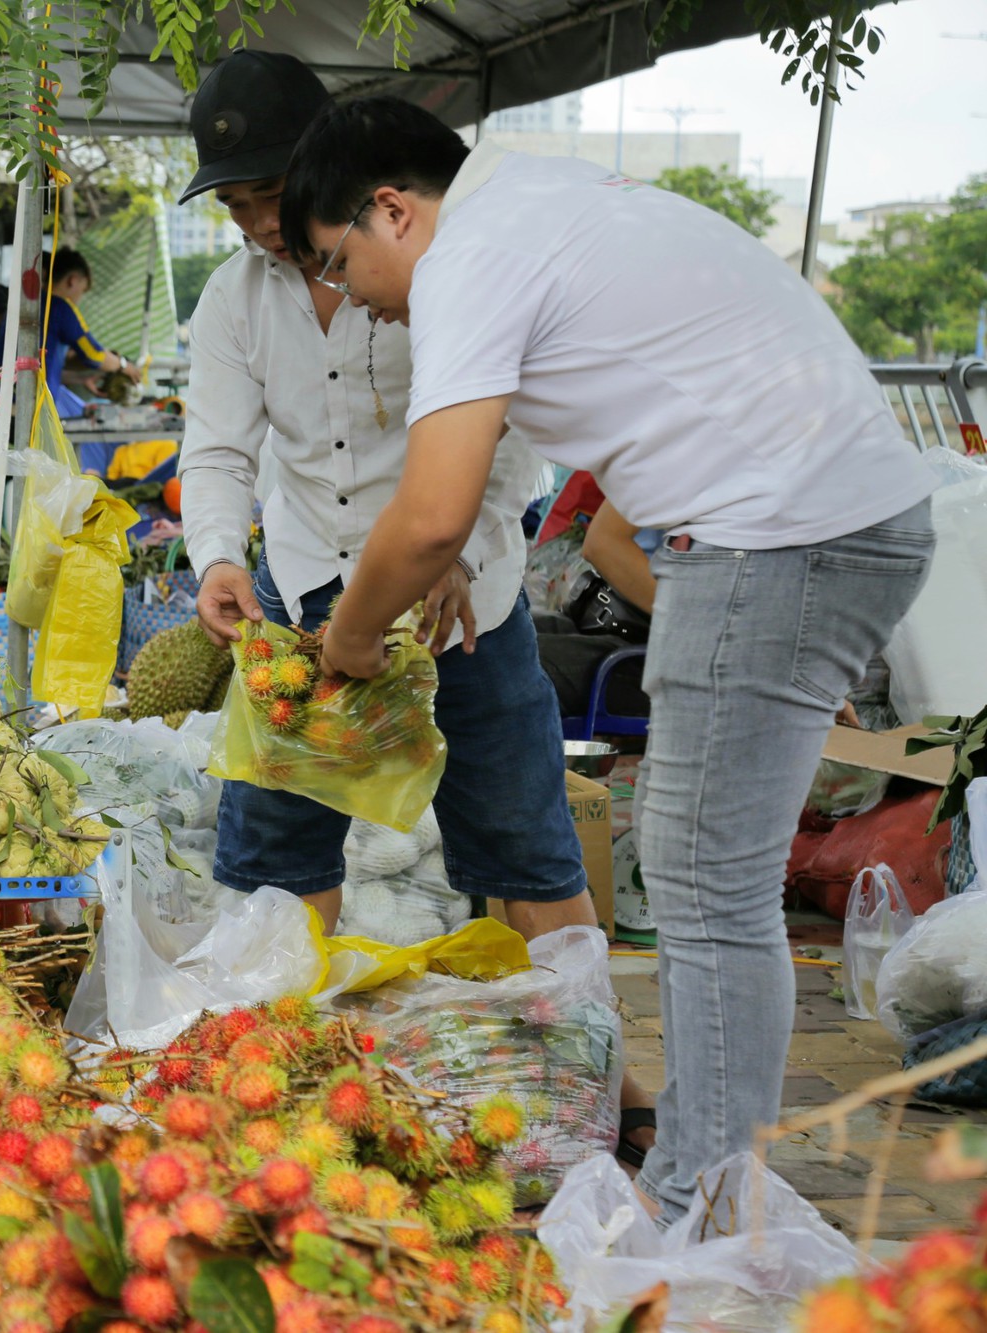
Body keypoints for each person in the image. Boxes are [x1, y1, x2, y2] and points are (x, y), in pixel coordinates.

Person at [278, 97, 937, 1219]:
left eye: (339, 267)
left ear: (392, 209)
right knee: (702, 874)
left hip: (778, 531)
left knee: (702, 882)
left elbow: (431, 513)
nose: (355, 309)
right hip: (805, 520)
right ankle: (705, 1186)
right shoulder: (541, 199)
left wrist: (346, 636)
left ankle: (700, 1205)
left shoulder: (468, 259)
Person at [177, 51, 658, 1167]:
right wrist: (214, 554)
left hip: (463, 611)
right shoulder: (229, 302)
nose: (251, 221)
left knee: (524, 845)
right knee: (278, 844)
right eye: (234, 202)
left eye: (263, 194)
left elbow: (511, 430)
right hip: (306, 607)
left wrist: (465, 541)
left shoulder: (432, 263)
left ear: (321, 172)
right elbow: (214, 447)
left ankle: (600, 1078)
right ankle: (280, 1069)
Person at [535, 502, 660, 720]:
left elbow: (601, 544)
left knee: (500, 661)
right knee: (492, 635)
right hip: (621, 616)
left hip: (658, 649)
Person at [42, 249, 137, 420]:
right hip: (28, 410)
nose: (79, 298)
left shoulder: (34, 304)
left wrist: (80, 379)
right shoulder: (60, 307)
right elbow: (93, 355)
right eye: (83, 290)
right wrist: (123, 365)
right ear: (73, 281)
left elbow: (49, 364)